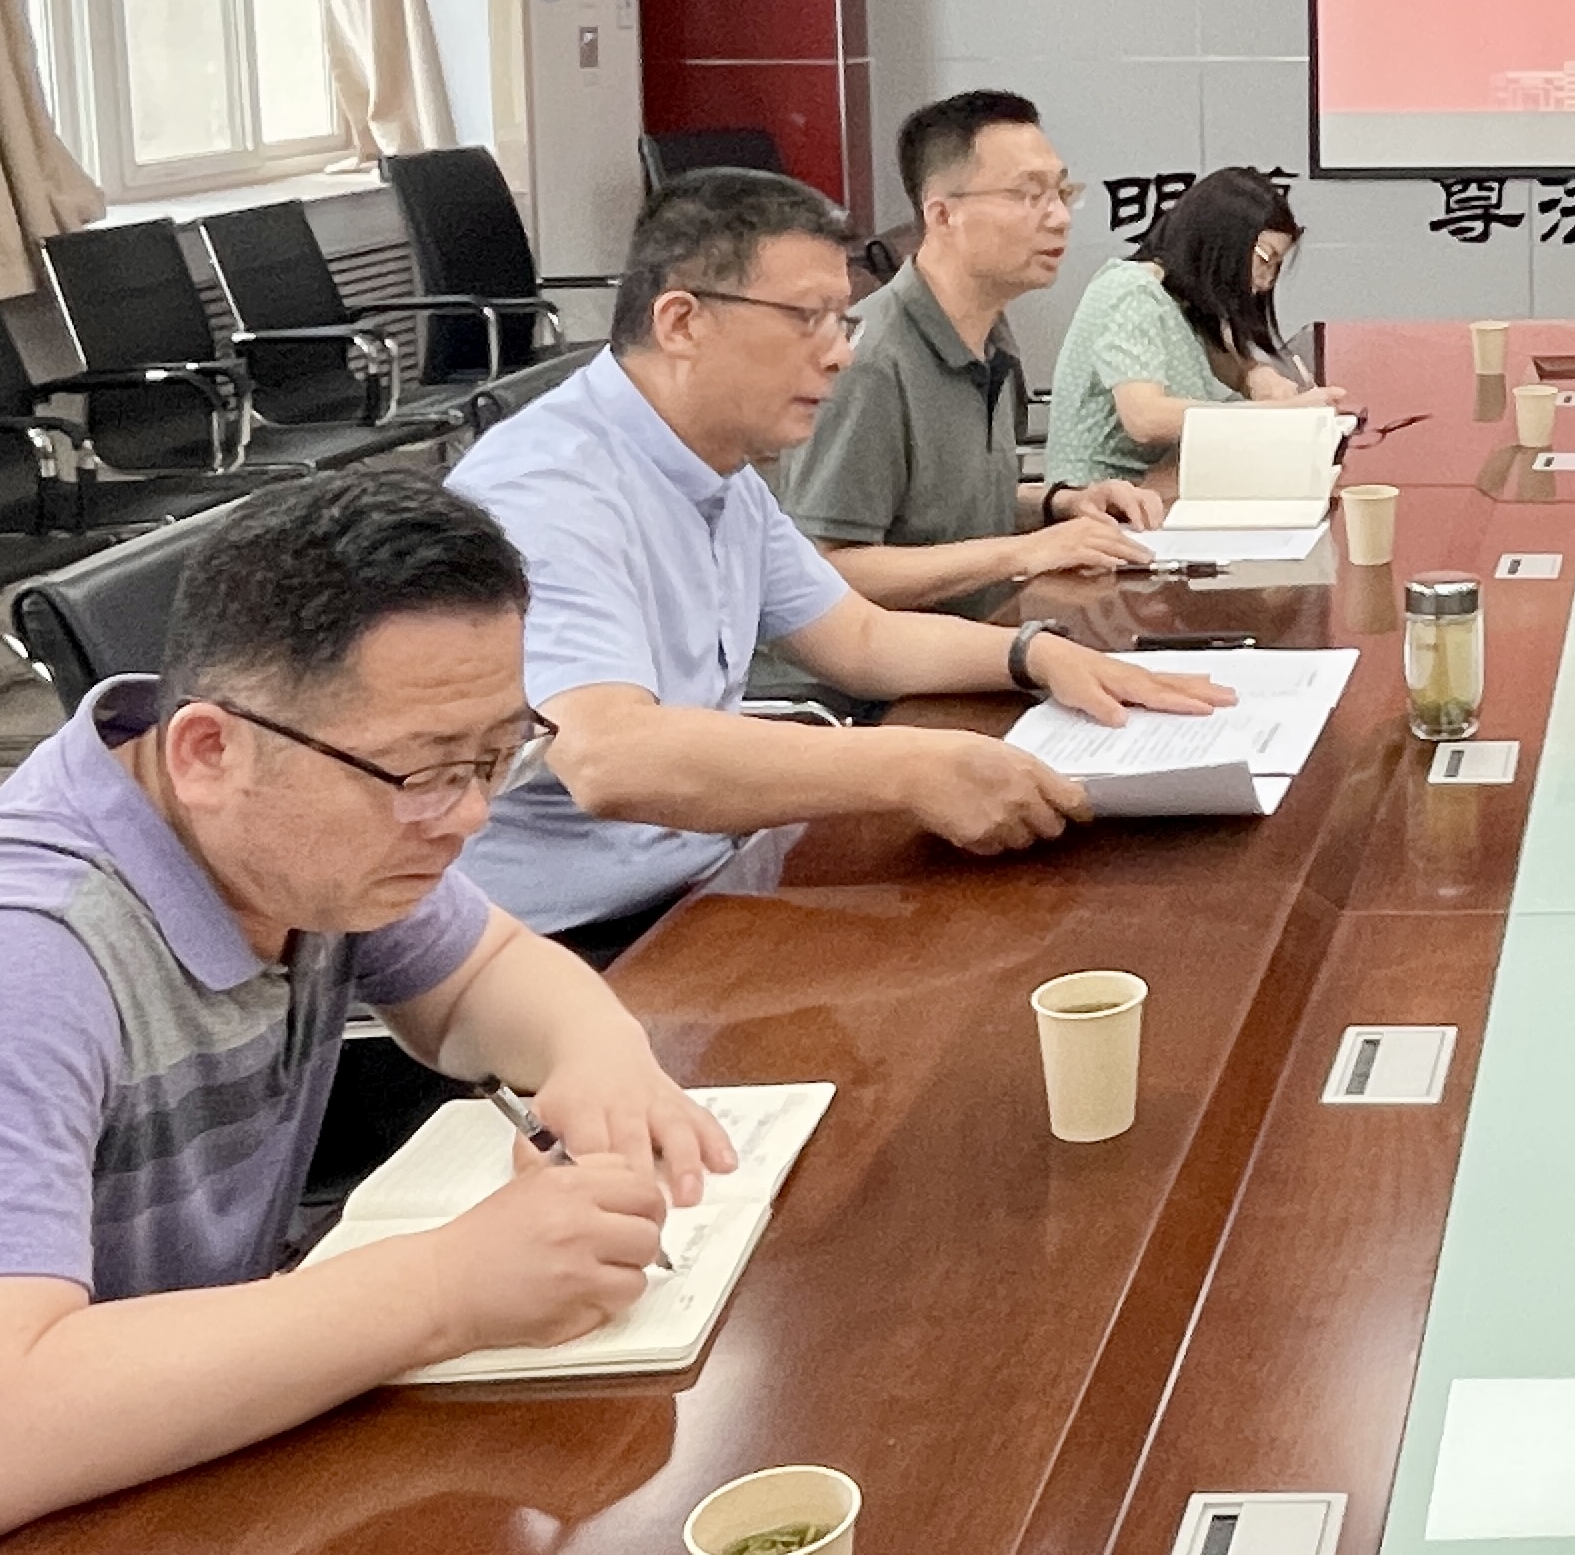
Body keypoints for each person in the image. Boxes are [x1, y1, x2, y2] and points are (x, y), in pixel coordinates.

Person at [0, 478, 726, 1555]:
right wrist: (446, 1286)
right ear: (210, 750)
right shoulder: (1, 968)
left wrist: (600, 1056)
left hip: (127, 1474)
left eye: (498, 756)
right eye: (432, 771)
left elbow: (485, 973)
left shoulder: (308, 830)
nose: (470, 818)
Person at [449, 169, 1224, 950]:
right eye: (807, 320)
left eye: (841, 320)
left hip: (706, 877)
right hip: (570, 942)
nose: (840, 354)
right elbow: (610, 758)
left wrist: (1037, 655)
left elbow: (858, 638)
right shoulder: (545, 491)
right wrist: (907, 767)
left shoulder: (716, 466)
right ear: (682, 322)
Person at [784, 91, 1164, 615]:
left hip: (990, 637)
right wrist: (1024, 552)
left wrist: (1060, 505)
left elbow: (940, 517)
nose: (1059, 218)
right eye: (1028, 194)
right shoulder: (868, 361)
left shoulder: (989, 338)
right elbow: (826, 570)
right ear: (943, 215)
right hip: (906, 665)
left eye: (1061, 192)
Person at [1046, 167, 1346, 490]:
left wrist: (1258, 377)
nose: (1265, 281)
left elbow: (1233, 370)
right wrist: (1275, 412)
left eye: (1276, 267)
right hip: (1099, 502)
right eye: (1264, 259)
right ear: (1222, 240)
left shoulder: (1184, 303)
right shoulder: (1132, 290)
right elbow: (1145, 417)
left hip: (1154, 493)